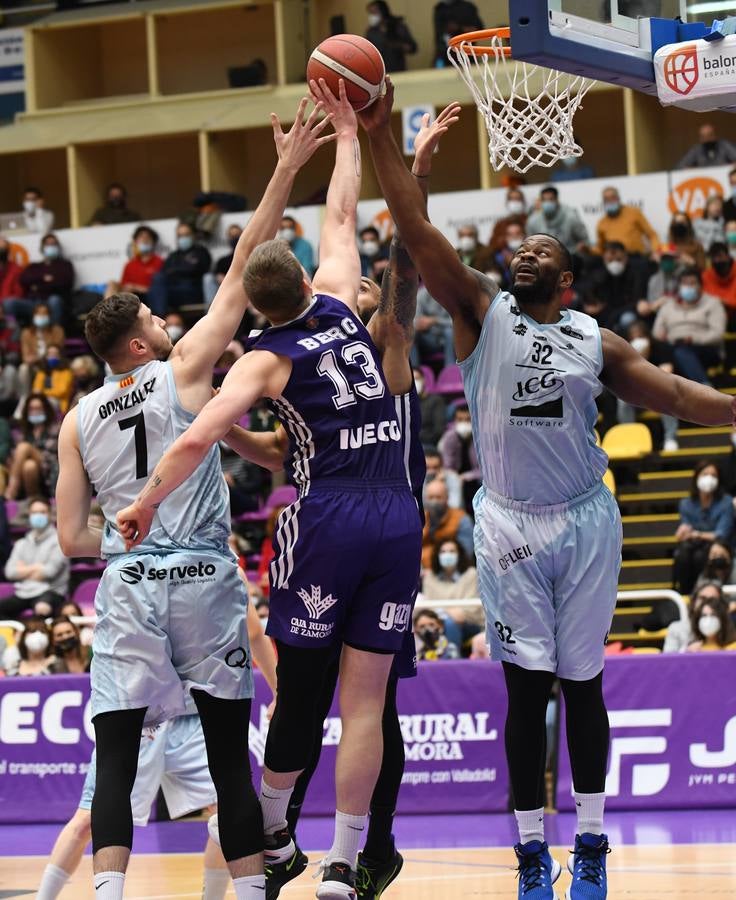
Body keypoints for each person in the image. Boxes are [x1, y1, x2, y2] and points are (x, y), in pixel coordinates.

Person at [359, 77, 736, 900]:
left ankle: (593, 842)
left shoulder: (592, 340)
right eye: (521, 246)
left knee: (585, 685)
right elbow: (414, 229)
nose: (526, 250)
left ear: (567, 283)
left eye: (545, 251)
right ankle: (533, 852)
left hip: (587, 519)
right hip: (508, 527)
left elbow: (673, 394)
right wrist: (381, 134)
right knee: (525, 693)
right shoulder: (480, 312)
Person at [115, 79, 423, 900]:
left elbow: (197, 437)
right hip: (398, 512)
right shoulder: (343, 305)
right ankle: (344, 864)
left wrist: (144, 503)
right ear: (309, 281)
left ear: (255, 304)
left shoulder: (261, 357)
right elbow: (343, 216)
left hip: (327, 516)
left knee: (300, 687)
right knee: (367, 707)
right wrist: (351, 134)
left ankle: (278, 825)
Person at [53, 96, 334, 900]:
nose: (166, 317)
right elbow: (247, 261)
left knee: (113, 756)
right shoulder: (181, 371)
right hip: (204, 577)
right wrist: (284, 167)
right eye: (153, 315)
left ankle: (107, 895)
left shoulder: (76, 418)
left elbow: (74, 534)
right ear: (139, 344)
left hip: (129, 580)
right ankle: (249, 893)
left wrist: (122, 536)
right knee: (223, 748)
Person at [34, 596, 278, 900]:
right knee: (86, 819)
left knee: (225, 813)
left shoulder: (221, 565)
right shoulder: (136, 561)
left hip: (195, 716)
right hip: (141, 714)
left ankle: (212, 897)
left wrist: (279, 688)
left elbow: (253, 631)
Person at [652, 266, 725, 385]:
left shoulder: (712, 303)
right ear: (679, 287)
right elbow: (657, 332)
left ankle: (705, 388)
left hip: (703, 348)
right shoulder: (668, 306)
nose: (688, 287)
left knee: (680, 353)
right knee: (664, 352)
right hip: (673, 345)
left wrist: (692, 339)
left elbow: (717, 334)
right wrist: (663, 337)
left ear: (700, 286)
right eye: (685, 283)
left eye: (692, 283)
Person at [0, 497, 69, 619]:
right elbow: (9, 572)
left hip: (51, 591)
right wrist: (37, 568)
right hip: (24, 592)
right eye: (34, 513)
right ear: (29, 515)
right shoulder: (21, 543)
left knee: (42, 608)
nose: (38, 516)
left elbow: (49, 572)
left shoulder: (60, 541)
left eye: (42, 512)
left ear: (50, 514)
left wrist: (23, 570)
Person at [672, 460, 733, 595]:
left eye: (713, 475)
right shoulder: (686, 504)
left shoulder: (726, 502)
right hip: (693, 547)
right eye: (705, 474)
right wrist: (683, 533)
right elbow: (686, 531)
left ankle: (703, 591)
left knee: (701, 556)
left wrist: (697, 534)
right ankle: (685, 593)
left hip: (718, 547)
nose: (709, 479)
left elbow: (721, 534)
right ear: (697, 478)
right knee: (682, 554)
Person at [618, 320, 679, 451]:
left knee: (666, 396)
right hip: (637, 397)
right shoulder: (625, 354)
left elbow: (666, 374)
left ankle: (671, 438)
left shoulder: (661, 348)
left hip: (657, 394)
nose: (638, 341)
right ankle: (629, 439)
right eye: (633, 338)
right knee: (622, 400)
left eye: (641, 337)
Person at [147, 222, 212, 314]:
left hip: (193, 290)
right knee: (158, 280)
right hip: (174, 291)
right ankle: (160, 318)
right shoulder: (173, 256)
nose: (183, 238)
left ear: (193, 235)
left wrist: (176, 271)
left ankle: (160, 319)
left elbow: (199, 270)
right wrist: (182, 270)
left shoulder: (201, 252)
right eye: (180, 236)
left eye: (186, 235)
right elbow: (164, 273)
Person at [5, 393, 60, 500]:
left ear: (45, 409)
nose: (35, 411)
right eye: (32, 408)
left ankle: (11, 491)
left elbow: (54, 455)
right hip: (31, 475)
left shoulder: (56, 428)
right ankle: (34, 500)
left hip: (50, 468)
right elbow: (15, 458)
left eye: (38, 408)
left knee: (24, 447)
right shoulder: (24, 432)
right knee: (29, 466)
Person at [13, 233, 73, 326]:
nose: (51, 247)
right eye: (48, 244)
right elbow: (23, 280)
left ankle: (54, 334)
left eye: (53, 244)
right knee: (9, 304)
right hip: (33, 303)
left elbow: (65, 283)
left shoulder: (65, 265)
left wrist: (38, 286)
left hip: (52, 301)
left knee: (55, 300)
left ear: (58, 247)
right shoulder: (34, 266)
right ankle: (12, 337)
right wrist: (43, 278)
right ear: (42, 247)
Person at [422, 477, 474, 567]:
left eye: (438, 497)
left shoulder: (462, 519)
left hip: (454, 571)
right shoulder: (421, 518)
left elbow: (465, 554)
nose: (434, 502)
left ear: (447, 498)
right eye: (431, 497)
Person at [595, 186, 659, 256]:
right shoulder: (602, 223)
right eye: (606, 199)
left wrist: (655, 251)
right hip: (614, 259)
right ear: (603, 202)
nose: (610, 201)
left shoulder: (634, 213)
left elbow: (652, 235)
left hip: (635, 257)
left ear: (618, 199)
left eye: (613, 198)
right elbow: (600, 248)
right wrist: (587, 250)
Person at [107, 225, 163, 303]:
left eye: (147, 238)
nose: (144, 240)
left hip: (149, 298)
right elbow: (124, 286)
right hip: (131, 297)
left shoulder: (160, 262)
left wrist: (136, 288)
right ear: (135, 242)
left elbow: (161, 290)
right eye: (141, 238)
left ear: (153, 243)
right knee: (112, 284)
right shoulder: (129, 264)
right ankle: (107, 312)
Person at [438, 403, 480, 508]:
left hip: (478, 480)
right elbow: (448, 466)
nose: (464, 423)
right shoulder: (449, 437)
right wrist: (455, 478)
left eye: (467, 419)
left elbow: (486, 470)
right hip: (457, 480)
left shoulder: (482, 437)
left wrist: (466, 477)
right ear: (455, 421)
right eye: (460, 419)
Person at [525, 185, 589, 254]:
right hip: (543, 258)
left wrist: (582, 246)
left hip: (570, 256)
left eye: (551, 199)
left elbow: (584, 240)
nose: (547, 203)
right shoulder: (533, 221)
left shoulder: (571, 217)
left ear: (557, 200)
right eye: (544, 200)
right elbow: (530, 244)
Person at [364, 1, 417, 72]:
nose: (372, 16)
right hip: (380, 72)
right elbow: (366, 52)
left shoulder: (398, 26)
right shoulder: (371, 32)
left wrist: (398, 45)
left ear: (383, 11)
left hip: (399, 70)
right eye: (370, 13)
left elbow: (412, 48)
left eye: (374, 12)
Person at [412, 283, 455, 368]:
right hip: (428, 339)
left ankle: (450, 370)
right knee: (411, 332)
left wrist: (435, 321)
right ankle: (415, 370)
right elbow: (414, 321)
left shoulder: (451, 295)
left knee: (449, 332)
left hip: (447, 338)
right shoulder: (421, 294)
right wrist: (419, 324)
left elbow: (455, 322)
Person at [433, 0, 483, 66]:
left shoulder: (467, 7)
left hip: (467, 52)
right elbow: (439, 34)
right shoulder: (440, 9)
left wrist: (459, 28)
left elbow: (478, 30)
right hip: (446, 55)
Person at [205, 224, 243, 305]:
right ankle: (212, 311)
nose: (235, 239)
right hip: (227, 291)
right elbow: (219, 277)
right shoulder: (222, 261)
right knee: (208, 278)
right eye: (232, 236)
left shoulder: (252, 257)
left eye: (237, 236)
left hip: (246, 290)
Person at [31, 343, 74, 414]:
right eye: (50, 354)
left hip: (58, 402)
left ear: (60, 356)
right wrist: (40, 394)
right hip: (42, 399)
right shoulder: (42, 372)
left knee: (48, 401)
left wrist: (43, 393)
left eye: (55, 354)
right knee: (29, 401)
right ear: (46, 356)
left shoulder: (66, 372)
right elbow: (36, 389)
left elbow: (61, 391)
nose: (52, 357)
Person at [703, 241, 736, 318]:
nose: (717, 260)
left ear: (728, 256)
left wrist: (726, 303)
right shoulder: (705, 276)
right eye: (714, 257)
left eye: (720, 256)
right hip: (713, 315)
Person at [424, 445, 463, 509]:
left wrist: (440, 486)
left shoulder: (453, 478)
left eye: (435, 467)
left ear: (442, 466)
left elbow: (455, 506)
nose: (431, 472)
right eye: (427, 468)